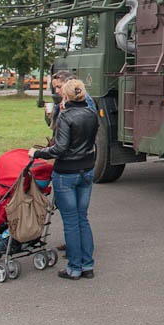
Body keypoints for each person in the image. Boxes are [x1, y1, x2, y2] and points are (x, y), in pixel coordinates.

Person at [29, 79, 98, 280]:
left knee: (71, 222)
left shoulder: (66, 117)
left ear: (66, 96)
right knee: (82, 218)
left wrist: (37, 153)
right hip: (86, 169)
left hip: (67, 172)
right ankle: (87, 265)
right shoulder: (92, 114)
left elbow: (60, 148)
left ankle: (74, 267)